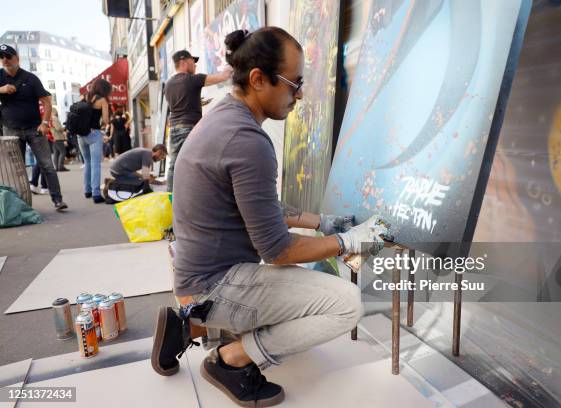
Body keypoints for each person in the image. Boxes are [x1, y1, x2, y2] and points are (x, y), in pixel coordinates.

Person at [150, 28, 389, 407]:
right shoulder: (247, 141)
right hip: (213, 285)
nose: (299, 94)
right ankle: (230, 362)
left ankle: (188, 325)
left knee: (303, 307)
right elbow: (278, 250)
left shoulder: (223, 119)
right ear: (258, 79)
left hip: (196, 277)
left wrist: (324, 223)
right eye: (293, 83)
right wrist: (349, 242)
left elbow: (258, 207)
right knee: (346, 303)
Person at [0, 43, 67, 210]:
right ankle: (21, 205)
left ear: (17, 58)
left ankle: (57, 200)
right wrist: (2, 89)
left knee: (47, 165)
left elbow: (46, 101)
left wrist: (45, 123)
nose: (5, 60)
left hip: (34, 129)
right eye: (1, 57)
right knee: (16, 170)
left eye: (8, 56)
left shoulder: (30, 78)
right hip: (10, 129)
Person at [164, 49, 233, 192]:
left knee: (174, 165)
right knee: (199, 163)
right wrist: (233, 60)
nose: (195, 65)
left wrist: (197, 103)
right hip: (189, 129)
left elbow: (179, 104)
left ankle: (171, 197)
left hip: (174, 129)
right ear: (183, 62)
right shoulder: (191, 80)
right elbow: (224, 76)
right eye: (192, 61)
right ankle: (198, 195)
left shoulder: (169, 84)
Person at [79, 78, 110, 203]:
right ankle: (96, 194)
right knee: (95, 163)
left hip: (80, 134)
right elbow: (106, 120)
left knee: (87, 162)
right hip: (94, 133)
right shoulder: (102, 100)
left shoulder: (84, 97)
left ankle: (87, 191)